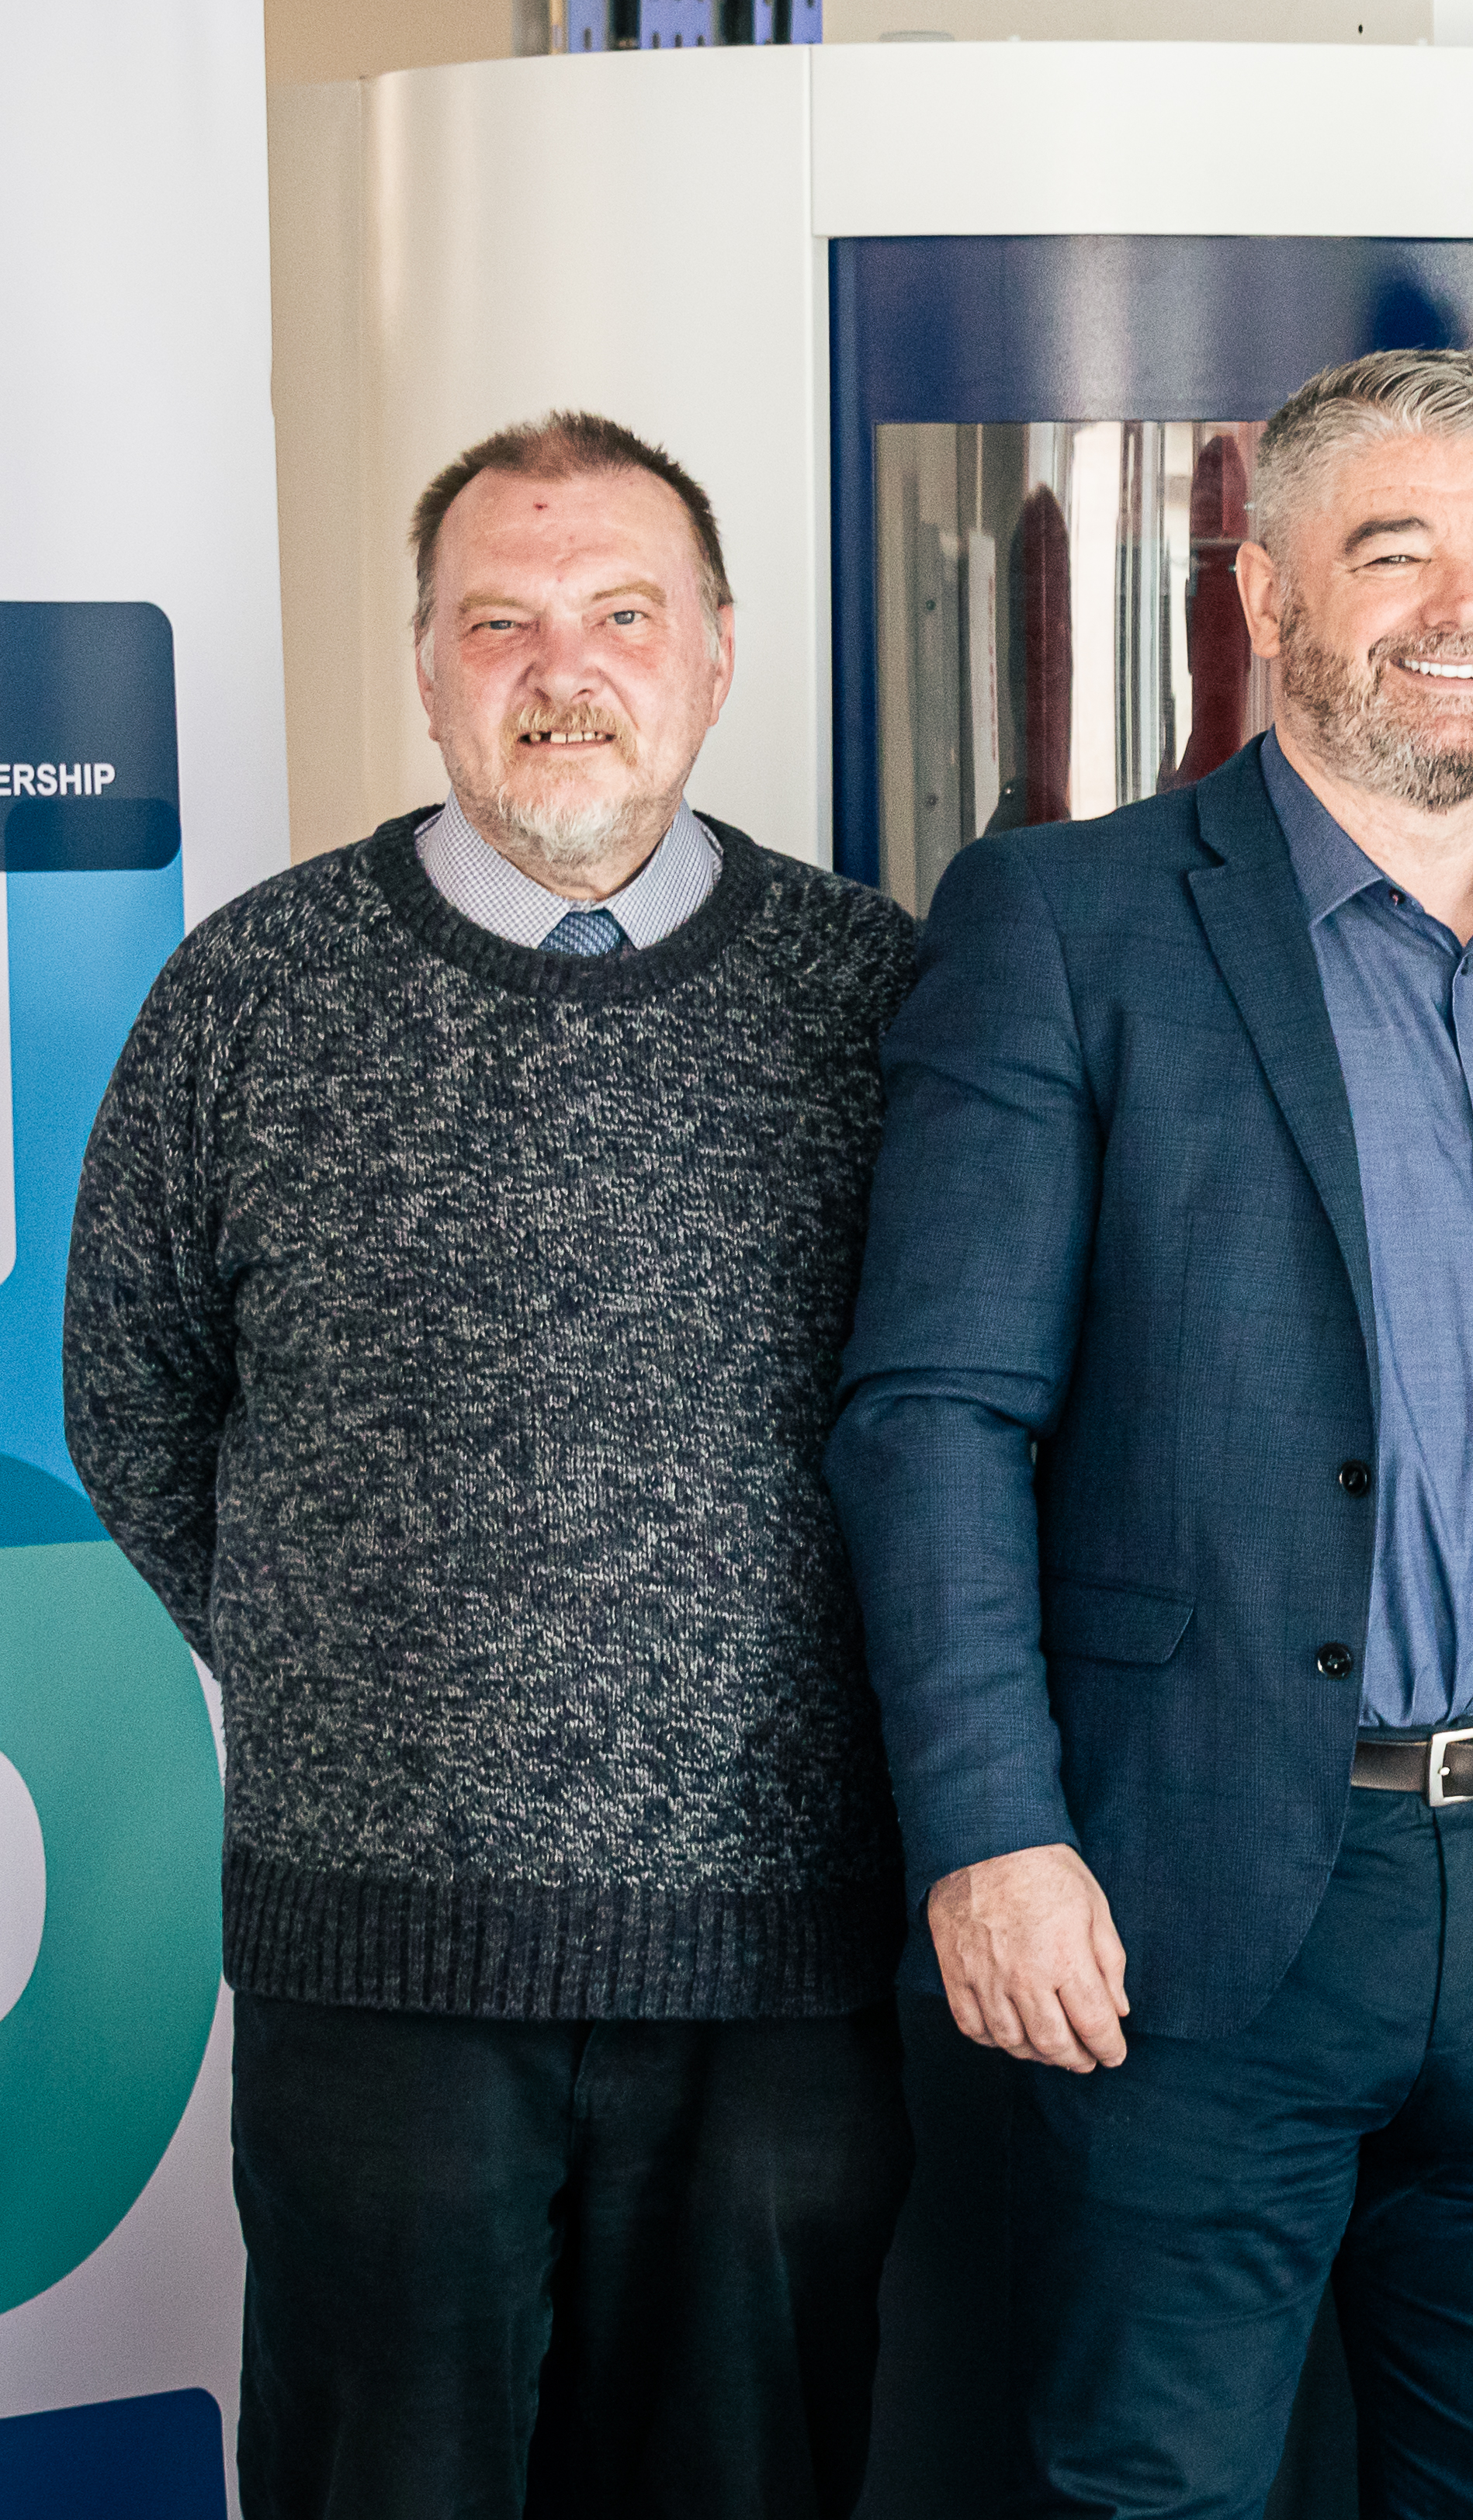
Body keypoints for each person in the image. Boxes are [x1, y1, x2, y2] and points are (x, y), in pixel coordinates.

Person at [824, 347, 1473, 2518]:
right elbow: (934, 1418)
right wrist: (992, 1832)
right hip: (1182, 1891)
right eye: (1394, 550)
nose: (1463, 605)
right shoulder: (1069, 923)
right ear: (1267, 594)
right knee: (1153, 2494)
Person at [63, 411, 917, 2520]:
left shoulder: (879, 997)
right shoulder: (251, 989)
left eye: (622, 614)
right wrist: (352, 1662)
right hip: (380, 1959)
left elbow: (966, 1413)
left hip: (779, 1961)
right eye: (500, 621)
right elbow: (130, 1393)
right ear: (428, 665)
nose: (564, 670)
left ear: (716, 651)